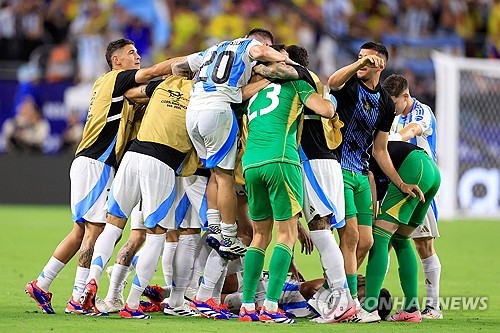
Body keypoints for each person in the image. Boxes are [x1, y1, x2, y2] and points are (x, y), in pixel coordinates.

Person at [25, 38, 184, 315]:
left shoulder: (108, 85)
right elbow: (151, 73)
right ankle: (78, 298)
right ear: (116, 60)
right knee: (94, 230)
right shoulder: (116, 78)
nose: (137, 57)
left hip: (88, 160)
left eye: (137, 52)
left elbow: (138, 96)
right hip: (97, 163)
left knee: (80, 231)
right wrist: (187, 63)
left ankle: (43, 282)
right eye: (131, 53)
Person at [78, 70, 200, 319]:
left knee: (113, 226)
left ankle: (91, 281)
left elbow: (130, 93)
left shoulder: (161, 86)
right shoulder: (199, 94)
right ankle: (132, 304)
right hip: (161, 163)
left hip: (132, 157)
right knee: (156, 236)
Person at [177, 28, 298, 259]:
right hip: (218, 109)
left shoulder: (214, 48)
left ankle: (214, 223)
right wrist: (284, 58)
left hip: (193, 111)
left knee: (215, 171)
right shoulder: (248, 46)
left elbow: (178, 67)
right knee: (225, 177)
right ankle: (229, 235)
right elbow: (263, 52)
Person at [327, 41, 423, 311]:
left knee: (367, 241)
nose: (362, 62)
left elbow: (380, 150)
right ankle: (346, 302)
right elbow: (332, 82)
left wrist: (400, 182)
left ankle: (334, 288)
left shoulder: (384, 102)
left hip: (360, 173)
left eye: (368, 59)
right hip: (339, 169)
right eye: (359, 57)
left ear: (381, 64)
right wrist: (359, 63)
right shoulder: (349, 86)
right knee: (351, 237)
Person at [238, 58, 335, 324]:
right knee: (287, 234)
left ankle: (248, 306)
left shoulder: (254, 92)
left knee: (259, 236)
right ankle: (270, 307)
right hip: (281, 160)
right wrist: (329, 99)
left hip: (251, 164)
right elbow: (325, 110)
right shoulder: (297, 84)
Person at [382, 74, 443, 319]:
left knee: (423, 243)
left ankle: (433, 306)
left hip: (420, 183)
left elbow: (411, 131)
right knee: (383, 239)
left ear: (405, 96)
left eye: (394, 102)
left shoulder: (422, 112)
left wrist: (389, 139)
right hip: (397, 184)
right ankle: (373, 298)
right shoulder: (391, 113)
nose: (391, 107)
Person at [361, 141, 438, 323]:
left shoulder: (359, 154)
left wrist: (372, 218)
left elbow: (370, 178)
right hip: (431, 170)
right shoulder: (373, 144)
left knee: (379, 237)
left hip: (413, 168)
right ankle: (411, 309)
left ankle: (369, 308)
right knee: (401, 238)